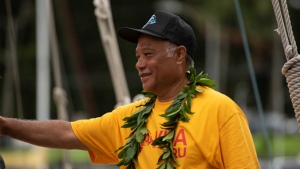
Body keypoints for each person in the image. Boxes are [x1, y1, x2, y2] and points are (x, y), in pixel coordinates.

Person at [0, 10, 260, 168]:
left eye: (148, 54)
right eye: (138, 56)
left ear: (180, 55)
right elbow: (68, 133)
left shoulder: (220, 110)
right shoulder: (131, 117)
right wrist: (5, 126)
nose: (139, 64)